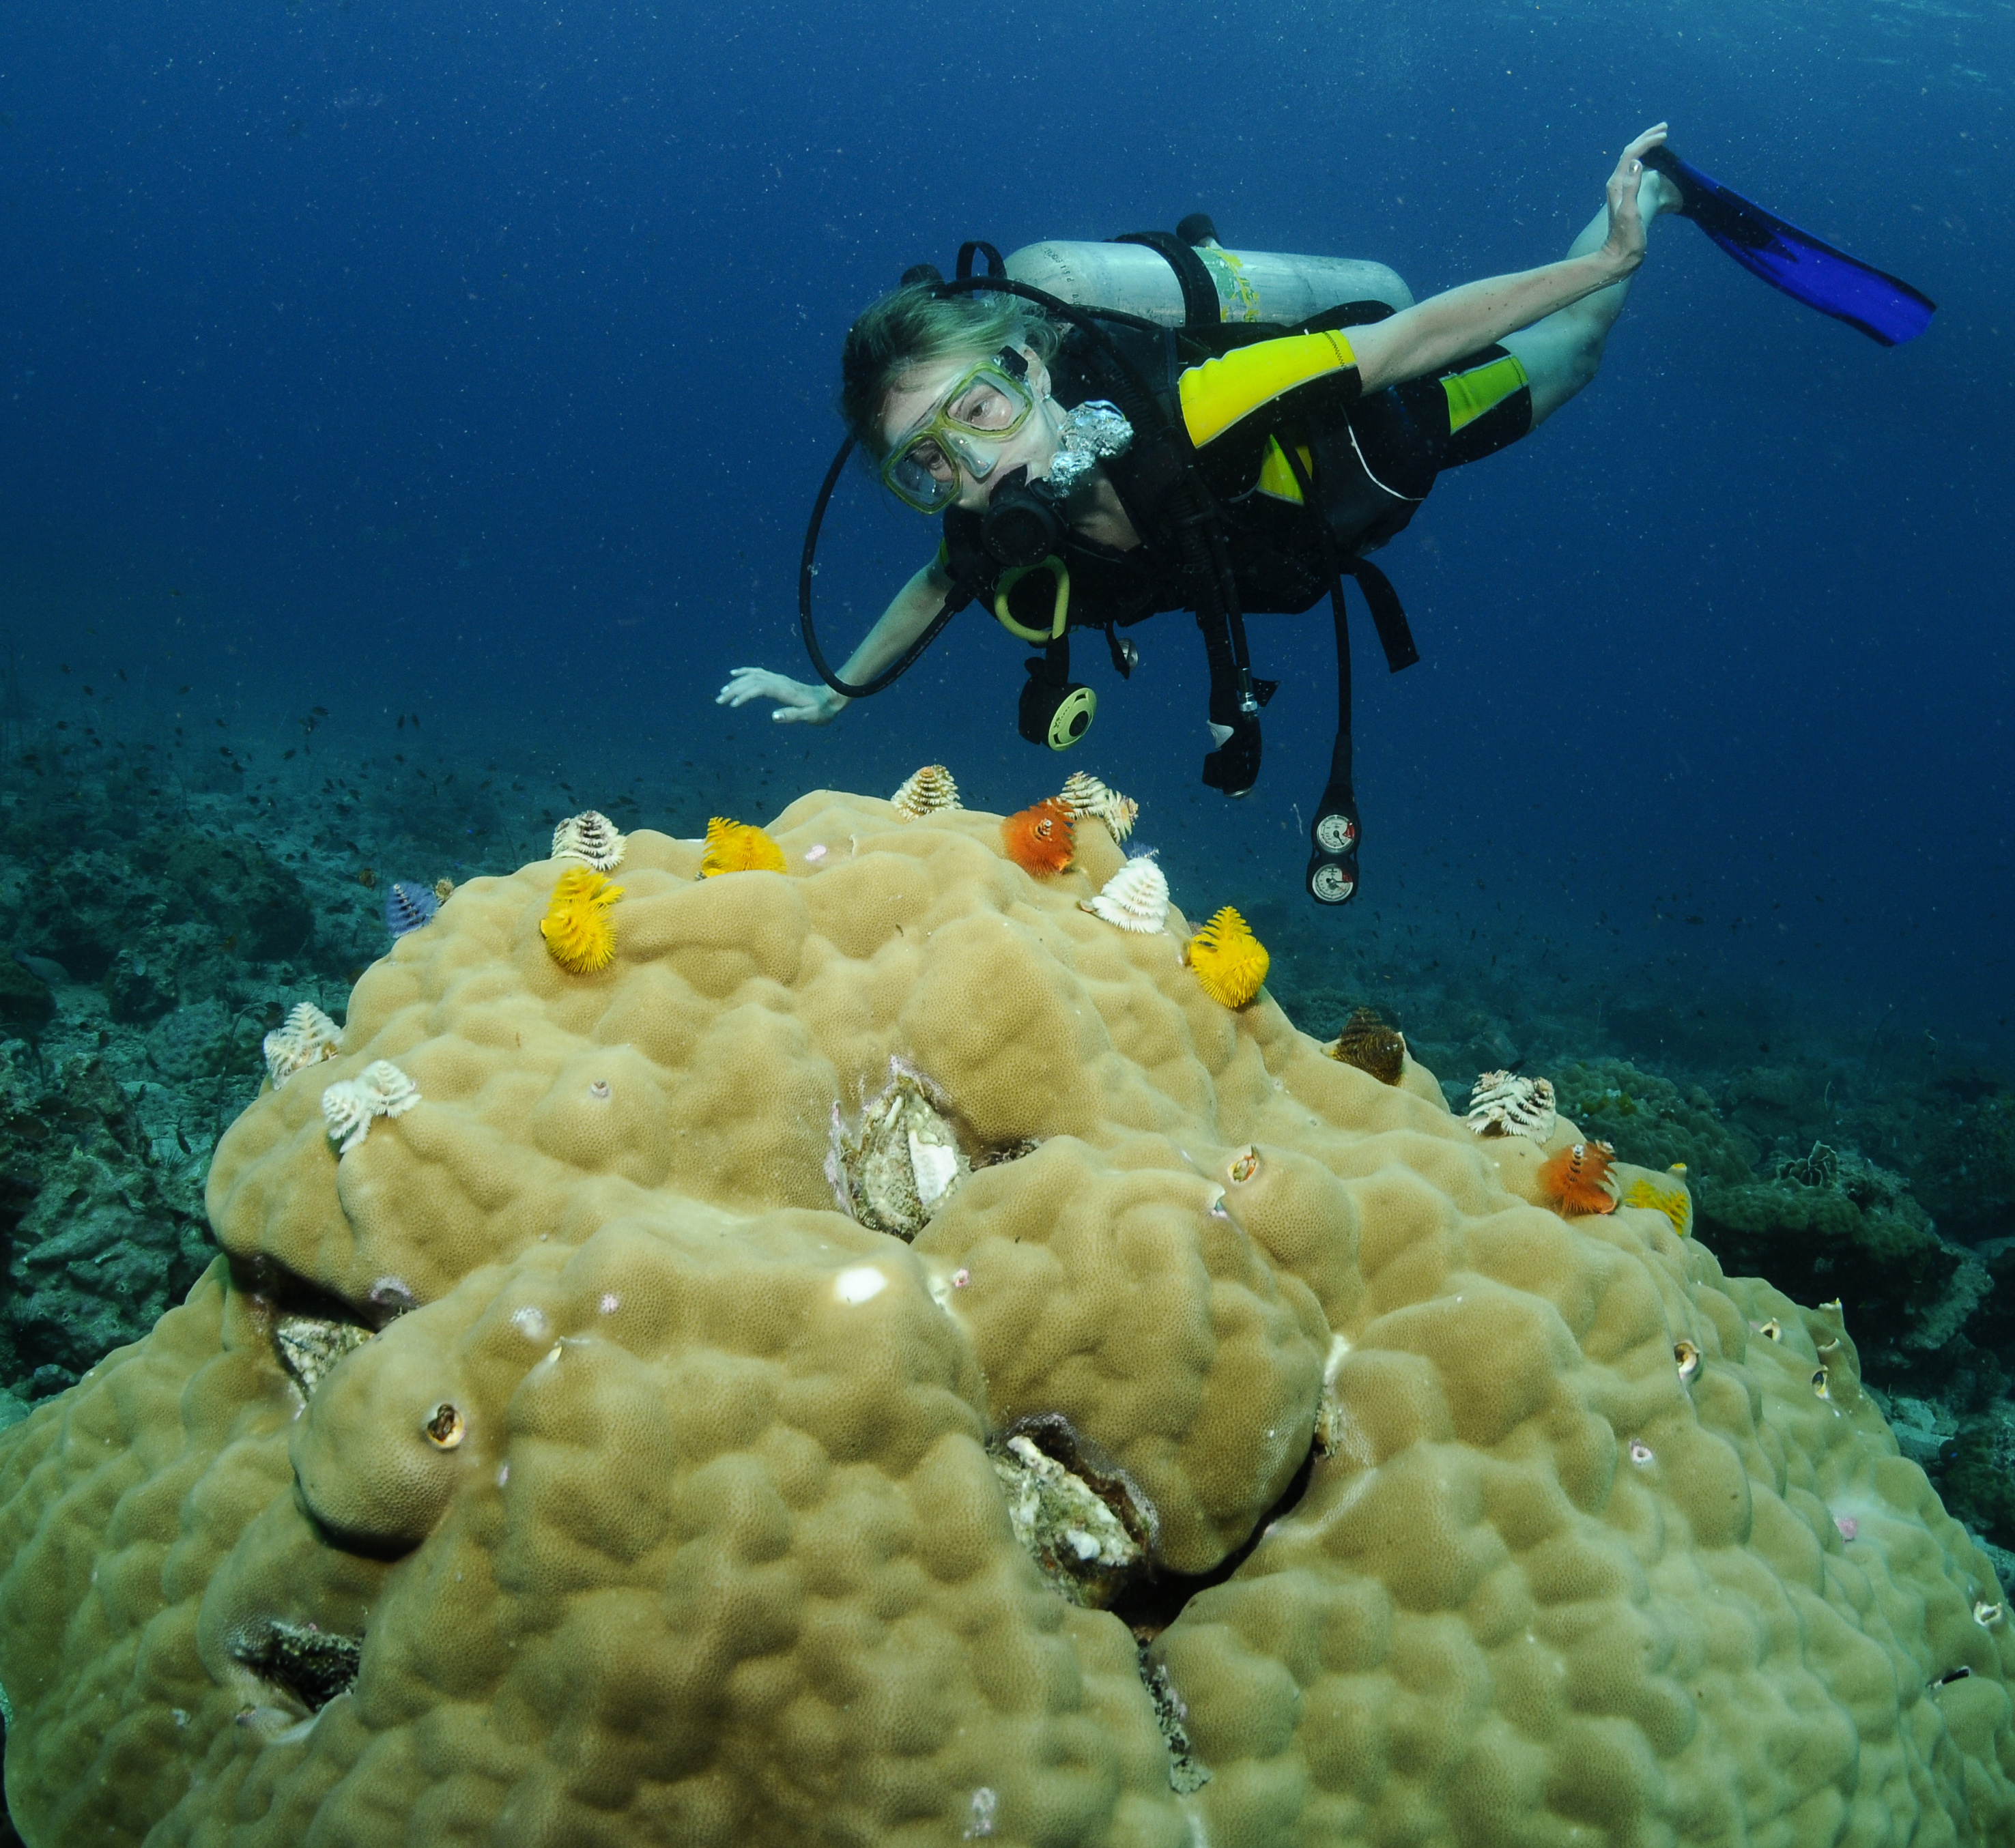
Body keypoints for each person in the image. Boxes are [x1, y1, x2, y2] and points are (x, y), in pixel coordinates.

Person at [718, 125, 1928, 904]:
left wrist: (1604, 263)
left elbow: (1415, 336)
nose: (972, 471)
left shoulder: (1200, 404)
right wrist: (837, 692)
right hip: (1296, 552)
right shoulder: (988, 531)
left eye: (979, 409)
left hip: (1380, 445)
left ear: (1032, 371)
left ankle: (1648, 207)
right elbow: (934, 588)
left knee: (1578, 357)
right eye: (924, 464)